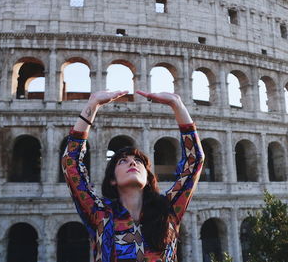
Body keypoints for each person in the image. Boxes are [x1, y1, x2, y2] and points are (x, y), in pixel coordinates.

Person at [61, 90, 204, 262]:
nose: (132, 163)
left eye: (138, 161)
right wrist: (92, 105)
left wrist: (178, 105)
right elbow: (71, 163)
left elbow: (195, 160)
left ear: (148, 177)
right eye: (122, 161)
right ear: (112, 180)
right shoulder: (100, 213)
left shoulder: (168, 209)